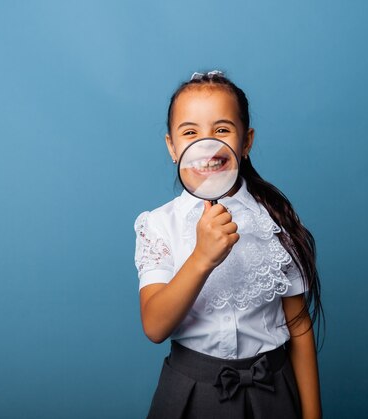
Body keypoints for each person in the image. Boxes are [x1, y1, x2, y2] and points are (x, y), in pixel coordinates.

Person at [134, 70, 323, 418]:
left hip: (273, 394)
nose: (207, 145)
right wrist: (202, 258)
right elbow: (155, 326)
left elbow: (298, 326)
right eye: (190, 133)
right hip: (191, 394)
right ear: (172, 147)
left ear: (246, 142)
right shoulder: (159, 224)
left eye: (221, 130)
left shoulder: (276, 220)